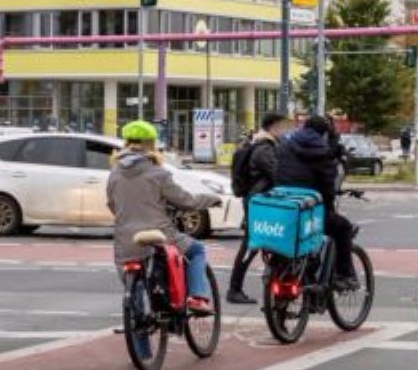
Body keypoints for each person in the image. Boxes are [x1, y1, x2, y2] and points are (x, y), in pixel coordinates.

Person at [107, 120, 222, 315]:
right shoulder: (158, 173)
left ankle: (136, 325)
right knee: (197, 250)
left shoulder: (115, 173)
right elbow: (186, 201)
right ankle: (197, 297)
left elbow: (112, 204)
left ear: (126, 143)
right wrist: (211, 199)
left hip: (126, 239)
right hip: (160, 234)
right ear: (151, 144)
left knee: (134, 290)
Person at [274, 115, 359, 291]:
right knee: (343, 228)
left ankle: (304, 272)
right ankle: (345, 275)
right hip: (309, 210)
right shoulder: (323, 154)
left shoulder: (285, 146)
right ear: (324, 134)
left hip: (285, 208)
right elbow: (328, 187)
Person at [226, 112, 291, 304]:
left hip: (261, 202)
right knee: (251, 244)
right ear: (273, 127)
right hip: (259, 202)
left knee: (269, 241)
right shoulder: (264, 149)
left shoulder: (265, 145)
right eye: (282, 126)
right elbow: (277, 174)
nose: (284, 131)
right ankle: (234, 289)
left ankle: (276, 284)